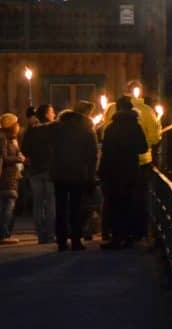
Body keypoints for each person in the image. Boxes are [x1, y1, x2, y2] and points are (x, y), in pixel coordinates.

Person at [99, 79, 161, 239]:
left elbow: (104, 137)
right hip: (139, 164)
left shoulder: (111, 109)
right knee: (138, 199)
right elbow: (153, 140)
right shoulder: (147, 111)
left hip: (114, 165)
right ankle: (137, 232)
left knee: (115, 199)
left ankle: (113, 231)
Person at [98, 96, 148, 249]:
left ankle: (116, 237)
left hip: (114, 170)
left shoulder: (111, 128)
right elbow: (143, 148)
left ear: (118, 109)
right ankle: (129, 236)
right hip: (131, 169)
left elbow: (106, 151)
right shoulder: (136, 126)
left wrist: (102, 170)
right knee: (130, 202)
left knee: (115, 203)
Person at [49, 104, 99, 252]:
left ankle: (62, 241)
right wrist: (91, 175)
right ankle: (76, 240)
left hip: (60, 174)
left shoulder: (56, 130)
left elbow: (47, 148)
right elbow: (92, 155)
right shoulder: (86, 131)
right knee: (76, 208)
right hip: (79, 174)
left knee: (60, 207)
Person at [20, 103, 57, 245]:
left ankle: (41, 235)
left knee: (38, 203)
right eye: (52, 112)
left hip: (35, 170)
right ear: (47, 114)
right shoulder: (52, 129)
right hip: (49, 170)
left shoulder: (31, 131)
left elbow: (24, 150)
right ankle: (50, 234)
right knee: (50, 203)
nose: (54, 114)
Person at [0, 112, 25, 244]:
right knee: (6, 206)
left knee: (4, 206)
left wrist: (18, 154)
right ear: (11, 125)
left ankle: (1, 233)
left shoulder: (11, 138)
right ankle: (3, 235)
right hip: (5, 177)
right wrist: (18, 158)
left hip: (10, 176)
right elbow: (3, 158)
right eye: (16, 123)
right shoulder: (2, 138)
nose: (18, 125)